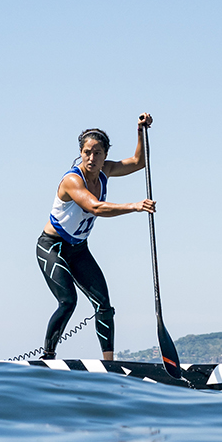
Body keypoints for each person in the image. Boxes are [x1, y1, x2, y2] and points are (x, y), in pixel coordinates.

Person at [36, 114, 156, 360]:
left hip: (78, 249)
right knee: (68, 301)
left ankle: (108, 364)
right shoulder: (72, 180)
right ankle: (48, 357)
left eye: (98, 153)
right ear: (81, 152)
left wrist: (140, 131)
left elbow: (139, 161)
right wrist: (134, 206)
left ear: (105, 154)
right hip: (53, 247)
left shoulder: (106, 170)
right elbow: (95, 208)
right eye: (87, 152)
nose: (92, 158)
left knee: (104, 306)